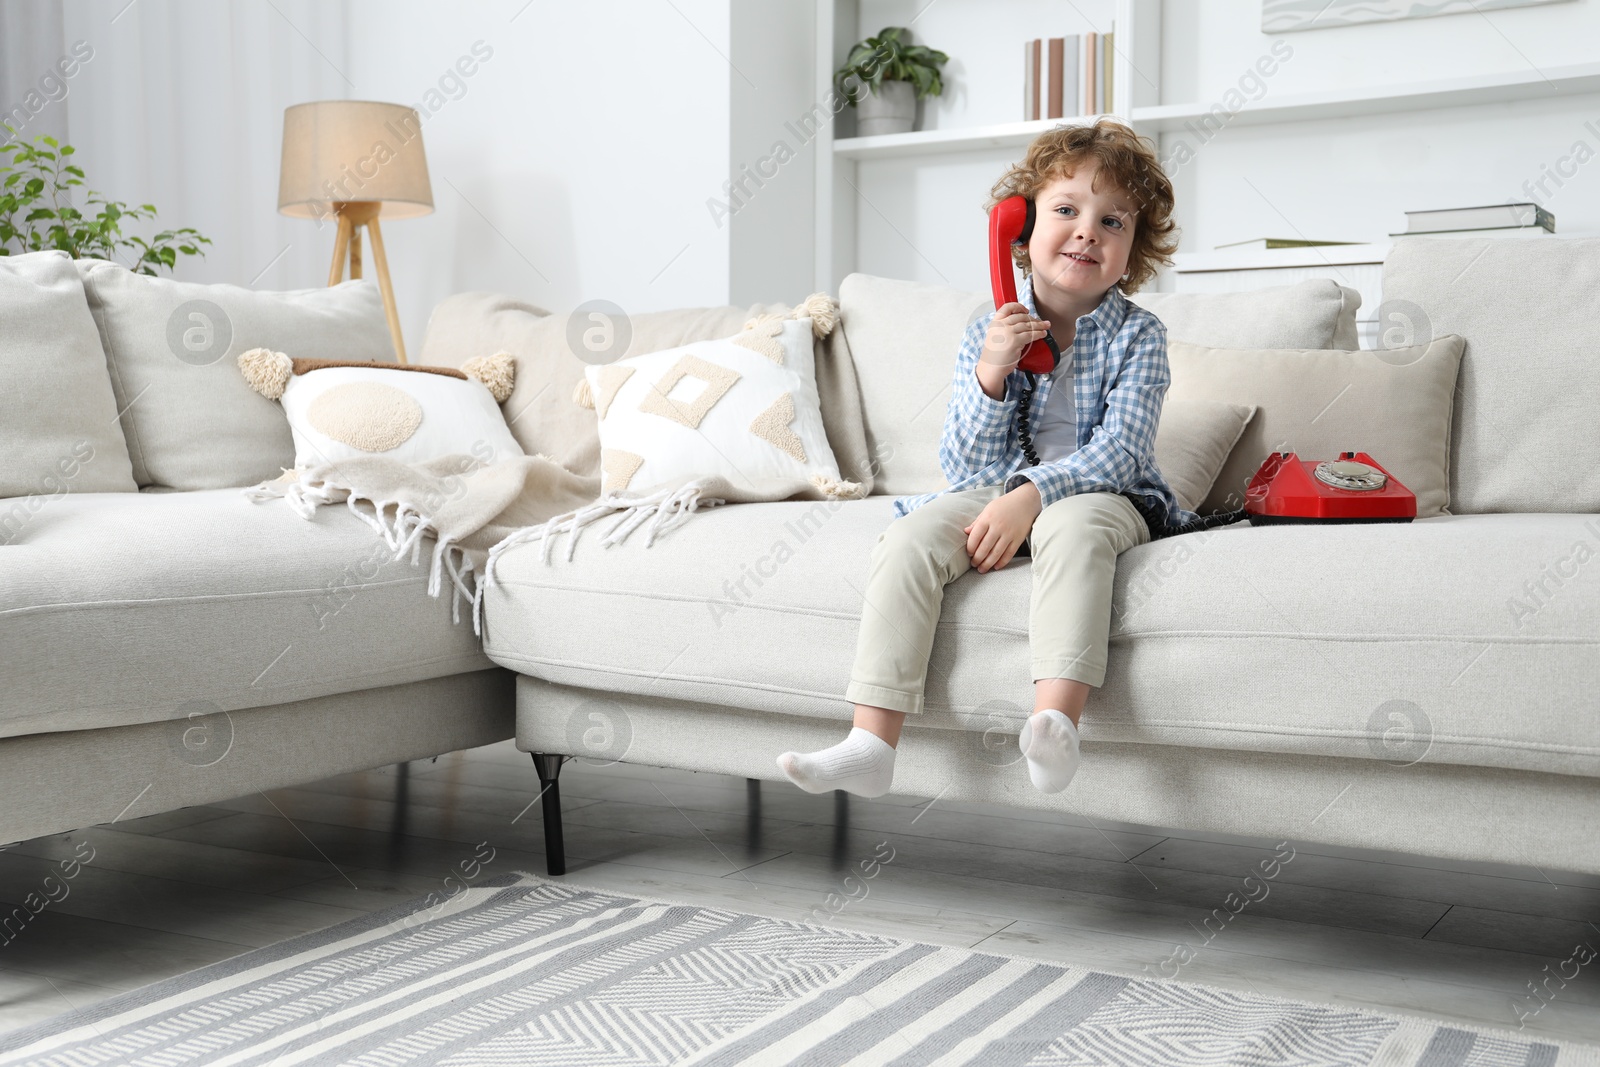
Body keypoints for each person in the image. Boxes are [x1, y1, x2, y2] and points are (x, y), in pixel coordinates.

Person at [777, 118, 1192, 799]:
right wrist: (993, 374)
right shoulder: (986, 329)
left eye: (1112, 220)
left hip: (1105, 495)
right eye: (1066, 210)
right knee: (909, 537)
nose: (1087, 230)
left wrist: (1031, 494)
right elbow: (965, 461)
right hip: (993, 487)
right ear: (1018, 230)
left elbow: (1120, 454)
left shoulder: (1141, 337)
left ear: (1132, 253)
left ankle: (1056, 719)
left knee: (1073, 526)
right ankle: (871, 742)